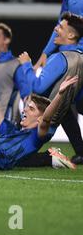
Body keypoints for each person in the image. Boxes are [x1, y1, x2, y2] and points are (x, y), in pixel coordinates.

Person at [19, 12, 83, 164]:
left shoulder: (59, 58)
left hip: (39, 123)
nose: (55, 29)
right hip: (53, 121)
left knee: (10, 156)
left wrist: (26, 64)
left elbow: (38, 87)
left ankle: (52, 158)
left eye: (60, 27)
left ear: (71, 35)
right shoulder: (80, 57)